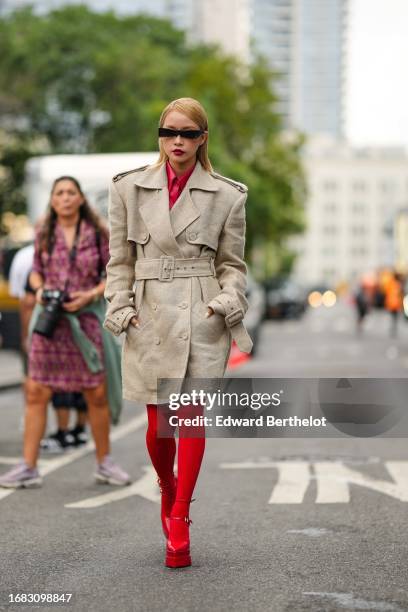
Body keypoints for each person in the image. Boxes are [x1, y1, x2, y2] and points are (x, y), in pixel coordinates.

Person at [103, 97, 253, 568]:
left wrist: (223, 304)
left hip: (199, 315)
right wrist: (121, 309)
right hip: (148, 315)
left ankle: (181, 516)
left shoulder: (228, 195)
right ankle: (167, 489)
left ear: (203, 138)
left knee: (188, 417)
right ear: (160, 136)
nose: (178, 142)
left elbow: (233, 266)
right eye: (170, 132)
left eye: (189, 133)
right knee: (156, 424)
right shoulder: (128, 189)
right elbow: (119, 261)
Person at [0, 176, 130, 489]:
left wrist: (90, 295)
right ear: (53, 200)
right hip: (50, 319)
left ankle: (105, 463)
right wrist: (41, 290)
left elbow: (114, 274)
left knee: (95, 392)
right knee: (36, 391)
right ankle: (28, 467)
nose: (66, 198)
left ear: (81, 199)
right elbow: (36, 272)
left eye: (71, 192)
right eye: (60, 193)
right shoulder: (44, 229)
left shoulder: (99, 232)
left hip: (85, 319)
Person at [8, 243, 89, 452]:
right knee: (83, 380)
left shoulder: (28, 257)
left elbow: (25, 302)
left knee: (44, 382)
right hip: (82, 325)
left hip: (47, 327)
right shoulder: (80, 251)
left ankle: (60, 432)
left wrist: (26, 336)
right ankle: (78, 430)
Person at [384, 271, 404, 338]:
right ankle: (394, 327)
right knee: (395, 316)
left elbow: (386, 291)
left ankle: (393, 327)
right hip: (396, 303)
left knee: (393, 316)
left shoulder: (391, 283)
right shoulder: (398, 284)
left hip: (391, 303)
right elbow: (401, 293)